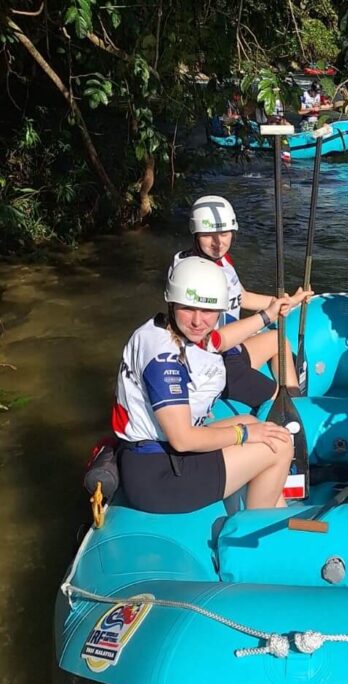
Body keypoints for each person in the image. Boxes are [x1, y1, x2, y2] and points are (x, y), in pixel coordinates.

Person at [112, 257, 296, 515]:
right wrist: (243, 435)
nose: (198, 321)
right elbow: (183, 439)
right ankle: (258, 532)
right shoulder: (164, 360)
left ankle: (276, 507)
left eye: (208, 311)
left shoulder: (170, 328)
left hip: (160, 455)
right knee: (280, 444)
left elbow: (218, 340)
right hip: (159, 476)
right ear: (172, 301)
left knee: (251, 421)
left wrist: (268, 314)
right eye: (188, 308)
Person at [170, 195, 307, 408]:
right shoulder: (191, 274)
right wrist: (266, 316)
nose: (218, 242)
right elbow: (211, 339)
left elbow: (241, 297)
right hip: (213, 363)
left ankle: (297, 399)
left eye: (224, 233)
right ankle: (293, 410)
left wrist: (283, 301)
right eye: (208, 235)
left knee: (278, 340)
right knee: (281, 400)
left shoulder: (222, 260)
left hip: (232, 350)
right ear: (195, 233)